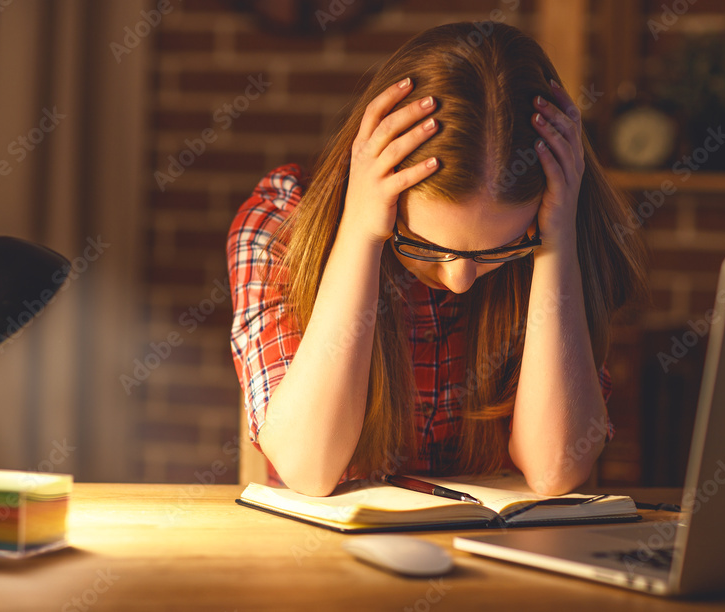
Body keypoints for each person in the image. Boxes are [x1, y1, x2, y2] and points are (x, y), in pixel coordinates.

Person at [227, 22, 648, 497]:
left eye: (501, 248)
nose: (461, 278)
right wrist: (361, 231)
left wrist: (555, 245)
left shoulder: (557, 231)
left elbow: (555, 470)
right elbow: (309, 467)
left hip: (494, 555)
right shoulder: (281, 226)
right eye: (425, 245)